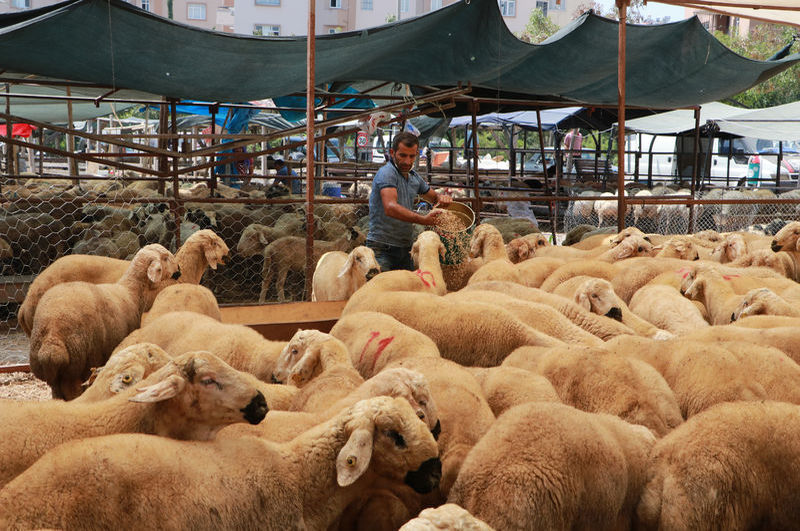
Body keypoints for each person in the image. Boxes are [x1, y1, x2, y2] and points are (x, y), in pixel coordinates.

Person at [367, 131, 452, 272]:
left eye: (411, 156)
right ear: (392, 152)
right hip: (382, 248)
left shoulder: (414, 177)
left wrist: (442, 198)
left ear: (417, 154)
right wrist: (423, 220)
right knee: (380, 291)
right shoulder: (387, 173)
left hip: (406, 248)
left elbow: (434, 197)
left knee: (408, 291)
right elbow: (390, 207)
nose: (407, 161)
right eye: (402, 155)